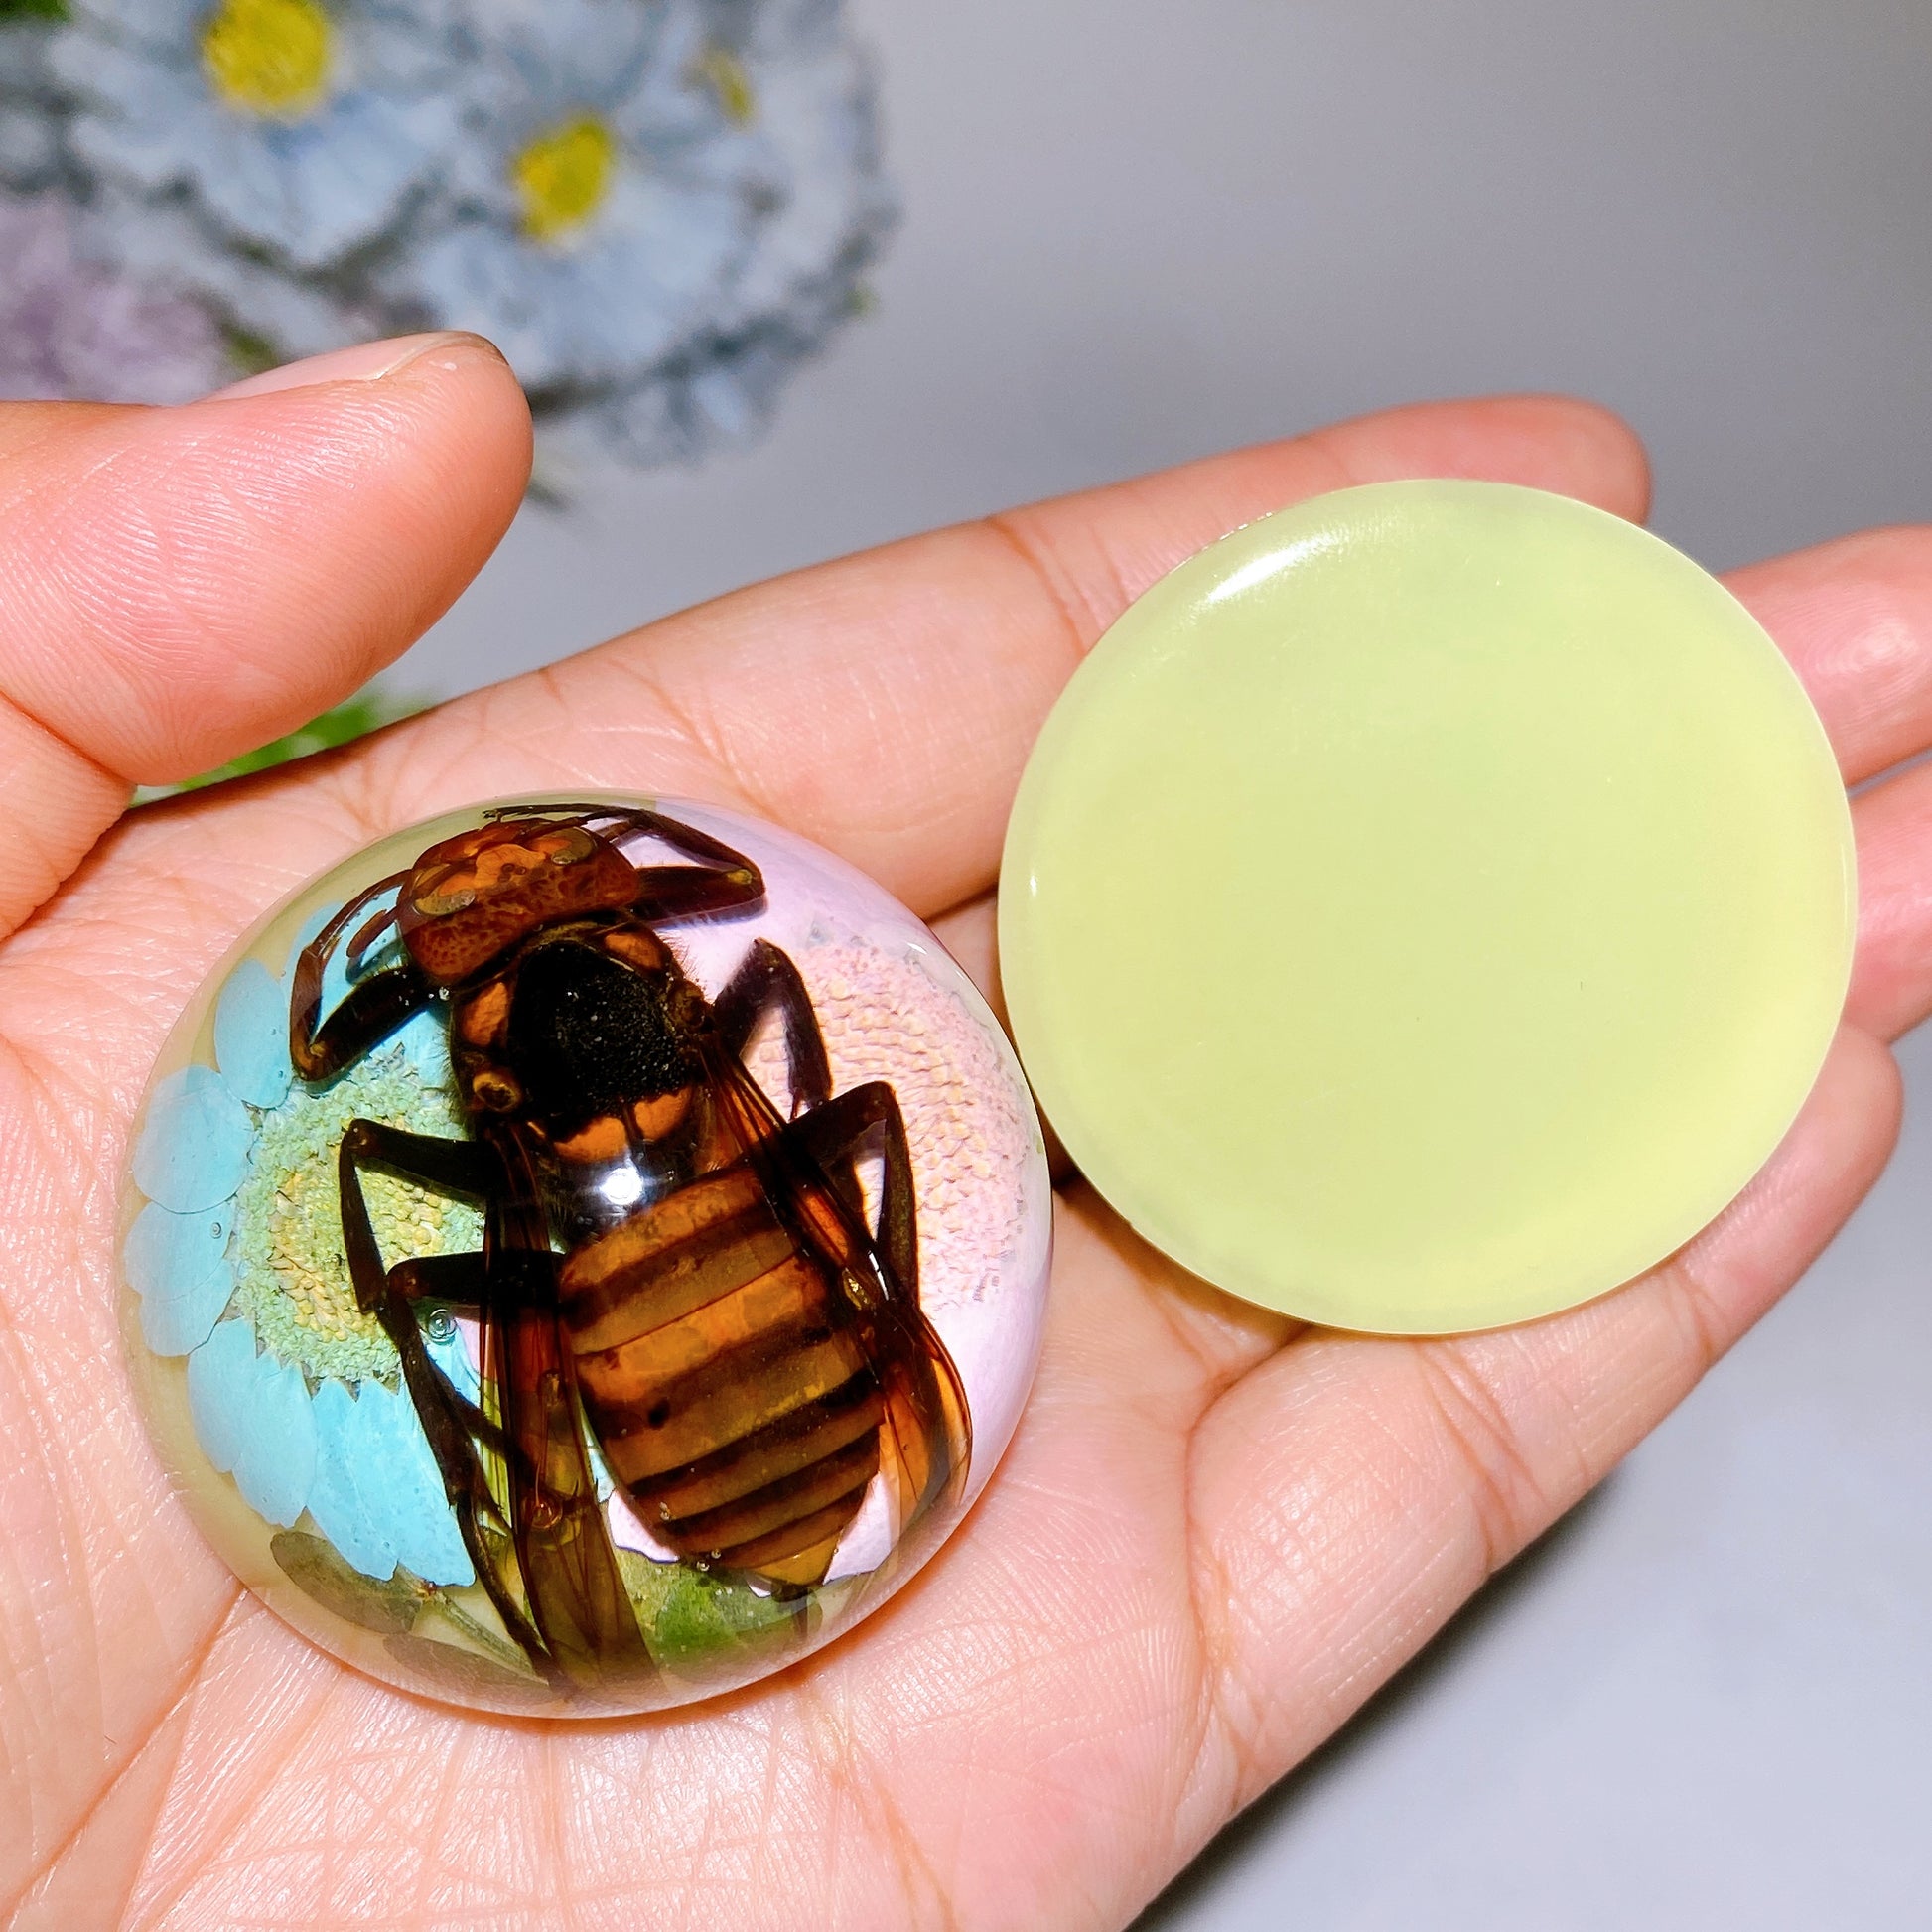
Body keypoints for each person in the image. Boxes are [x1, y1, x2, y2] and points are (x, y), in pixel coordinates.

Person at [2, 334, 1926, 1928]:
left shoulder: (509, 1039)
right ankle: (746, 1370)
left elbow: (418, 1071)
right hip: (794, 1358)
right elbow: (755, 997)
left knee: (461, 1223)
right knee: (760, 1153)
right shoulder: (697, 988)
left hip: (692, 1372)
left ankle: (603, 1430)